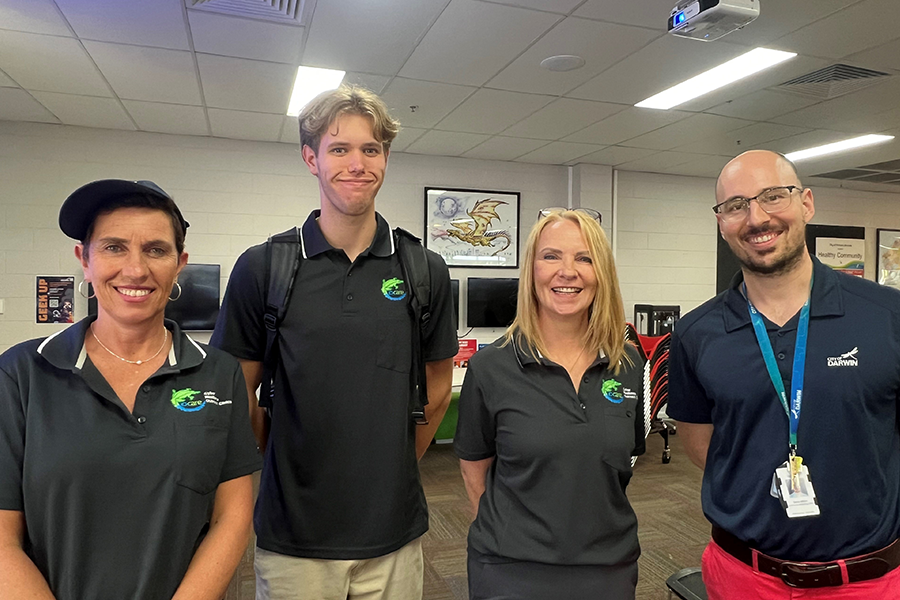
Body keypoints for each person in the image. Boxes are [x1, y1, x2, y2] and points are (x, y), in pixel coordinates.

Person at [210, 85, 457, 600]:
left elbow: (436, 387)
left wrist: (391, 461)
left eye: (371, 149)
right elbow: (236, 393)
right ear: (311, 158)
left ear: (385, 158)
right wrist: (287, 455)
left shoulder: (423, 269)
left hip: (393, 533)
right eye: (339, 149)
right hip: (293, 535)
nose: (357, 163)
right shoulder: (265, 267)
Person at [0, 179, 262, 600]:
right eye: (113, 247)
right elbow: (2, 541)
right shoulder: (21, 374)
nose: (136, 269)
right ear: (84, 259)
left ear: (180, 264)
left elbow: (232, 516)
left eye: (156, 250)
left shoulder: (218, 374)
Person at [668, 149, 900, 598]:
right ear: (721, 222)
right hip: (743, 577)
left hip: (867, 581)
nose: (756, 218)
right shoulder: (697, 332)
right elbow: (702, 446)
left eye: (773, 196)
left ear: (807, 202)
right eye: (735, 205)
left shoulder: (887, 316)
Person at [455, 208, 646, 600]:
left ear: (602, 274)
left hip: (609, 568)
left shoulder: (628, 363)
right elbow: (475, 471)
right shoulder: (491, 367)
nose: (567, 271)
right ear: (532, 270)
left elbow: (622, 464)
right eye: (551, 256)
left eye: (584, 258)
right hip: (511, 571)